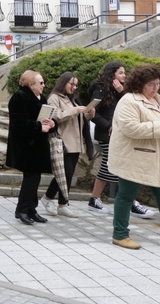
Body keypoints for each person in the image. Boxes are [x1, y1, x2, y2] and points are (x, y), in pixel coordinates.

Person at [107, 63, 160, 249]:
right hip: (134, 158)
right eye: (151, 84)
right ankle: (120, 235)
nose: (155, 88)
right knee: (126, 195)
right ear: (140, 83)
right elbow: (130, 128)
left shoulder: (159, 100)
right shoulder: (129, 101)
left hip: (156, 158)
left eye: (158, 83)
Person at [87, 62, 155, 218]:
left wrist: (121, 91)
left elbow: (132, 106)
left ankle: (95, 200)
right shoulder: (100, 89)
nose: (124, 75)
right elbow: (92, 113)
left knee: (113, 166)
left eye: (125, 73)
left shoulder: (122, 90)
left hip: (119, 135)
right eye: (121, 73)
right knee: (117, 166)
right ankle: (131, 203)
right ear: (112, 74)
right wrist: (108, 126)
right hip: (106, 135)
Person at [40, 72, 95, 218]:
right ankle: (50, 199)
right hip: (62, 141)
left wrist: (89, 114)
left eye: (76, 85)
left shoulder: (73, 99)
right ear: (63, 82)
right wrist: (76, 110)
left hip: (75, 141)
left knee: (67, 175)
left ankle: (61, 204)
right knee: (64, 174)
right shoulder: (54, 97)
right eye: (72, 84)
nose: (74, 87)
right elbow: (55, 116)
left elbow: (78, 119)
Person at [6, 70, 55, 225]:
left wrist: (52, 124)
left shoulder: (41, 98)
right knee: (31, 178)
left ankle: (31, 209)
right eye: (41, 83)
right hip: (25, 146)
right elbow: (19, 123)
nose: (44, 85)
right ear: (31, 84)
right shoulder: (19, 97)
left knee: (35, 178)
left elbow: (46, 119)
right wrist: (39, 127)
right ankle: (22, 210)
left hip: (38, 145)